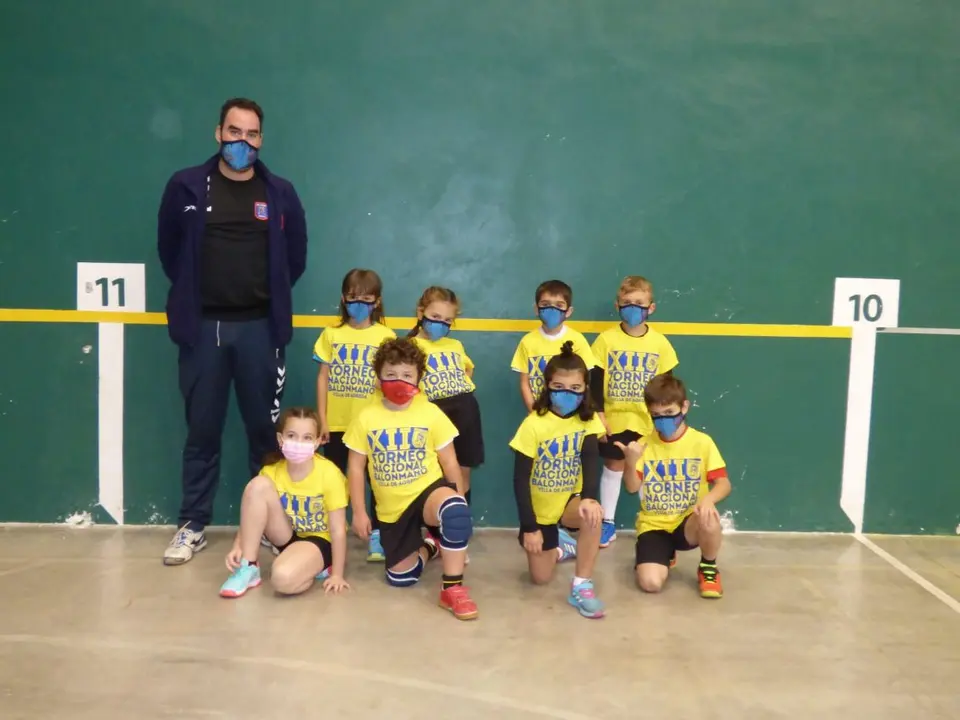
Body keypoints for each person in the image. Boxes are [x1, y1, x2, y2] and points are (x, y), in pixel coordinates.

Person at [157, 97, 308, 565]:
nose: (243, 142)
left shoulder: (279, 193)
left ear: (262, 139)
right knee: (202, 430)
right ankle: (192, 525)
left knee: (265, 434)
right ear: (218, 133)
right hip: (203, 330)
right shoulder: (185, 185)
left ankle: (267, 527)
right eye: (235, 132)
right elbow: (169, 251)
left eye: (252, 134)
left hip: (260, 330)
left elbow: (295, 257)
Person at [343, 338, 479, 621]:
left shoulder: (430, 412)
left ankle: (452, 589)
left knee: (454, 511)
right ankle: (430, 546)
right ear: (378, 377)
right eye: (391, 374)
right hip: (393, 510)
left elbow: (450, 462)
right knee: (401, 578)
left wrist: (458, 503)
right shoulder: (366, 417)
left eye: (407, 374)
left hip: (428, 492)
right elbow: (355, 468)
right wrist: (358, 511)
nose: (399, 381)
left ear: (419, 377)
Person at [510, 341, 607, 619]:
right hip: (540, 509)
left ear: (585, 389)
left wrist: (589, 499)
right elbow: (520, 479)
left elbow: (591, 461)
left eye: (575, 388)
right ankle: (562, 546)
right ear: (547, 386)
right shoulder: (533, 424)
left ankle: (581, 585)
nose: (567, 393)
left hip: (569, 500)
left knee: (593, 515)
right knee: (540, 578)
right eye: (559, 387)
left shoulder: (587, 421)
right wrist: (530, 527)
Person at [616, 374, 731, 599]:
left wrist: (708, 500)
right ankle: (664, 554)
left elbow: (724, 483)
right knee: (650, 584)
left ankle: (708, 567)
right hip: (654, 525)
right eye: (657, 415)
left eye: (669, 412)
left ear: (684, 407)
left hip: (688, 522)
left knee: (709, 517)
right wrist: (630, 462)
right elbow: (631, 488)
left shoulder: (702, 442)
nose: (664, 420)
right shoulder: (642, 445)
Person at [219, 406, 349, 599]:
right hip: (287, 534)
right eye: (291, 436)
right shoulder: (271, 471)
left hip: (320, 540)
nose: (298, 443)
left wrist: (337, 575)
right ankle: (249, 567)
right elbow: (251, 514)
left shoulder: (329, 474)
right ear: (281, 439)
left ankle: (319, 567)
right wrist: (239, 545)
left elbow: (338, 530)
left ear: (316, 442)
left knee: (282, 579)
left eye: (307, 438)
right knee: (257, 486)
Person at [590, 276, 678, 549]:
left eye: (639, 303)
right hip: (614, 419)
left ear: (651, 307)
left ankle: (652, 525)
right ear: (617, 305)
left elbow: (666, 387)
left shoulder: (660, 344)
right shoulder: (605, 340)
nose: (632, 308)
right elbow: (594, 382)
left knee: (645, 470)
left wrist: (663, 419)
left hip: (647, 421)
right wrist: (599, 414)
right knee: (614, 465)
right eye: (627, 302)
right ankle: (607, 522)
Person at [313, 268, 395, 562]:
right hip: (337, 424)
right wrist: (322, 419)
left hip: (371, 425)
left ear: (377, 301)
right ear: (343, 298)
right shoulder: (331, 334)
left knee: (377, 482)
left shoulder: (385, 336)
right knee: (335, 482)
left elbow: (390, 378)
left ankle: (378, 535)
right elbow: (322, 378)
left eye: (366, 299)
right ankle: (330, 536)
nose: (359, 305)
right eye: (352, 298)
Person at [407, 286, 484, 505]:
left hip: (465, 411)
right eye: (435, 317)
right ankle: (437, 518)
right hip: (433, 413)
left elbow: (467, 370)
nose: (441, 324)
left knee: (462, 471)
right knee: (438, 472)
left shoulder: (455, 345)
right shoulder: (410, 346)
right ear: (420, 312)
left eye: (447, 320)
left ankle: (460, 515)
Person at [511, 280, 598, 412]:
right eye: (545, 304)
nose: (552, 309)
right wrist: (534, 412)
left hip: (572, 414)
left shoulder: (578, 340)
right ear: (536, 309)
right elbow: (524, 383)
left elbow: (586, 382)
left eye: (559, 305)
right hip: (540, 413)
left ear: (568, 311)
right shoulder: (527, 342)